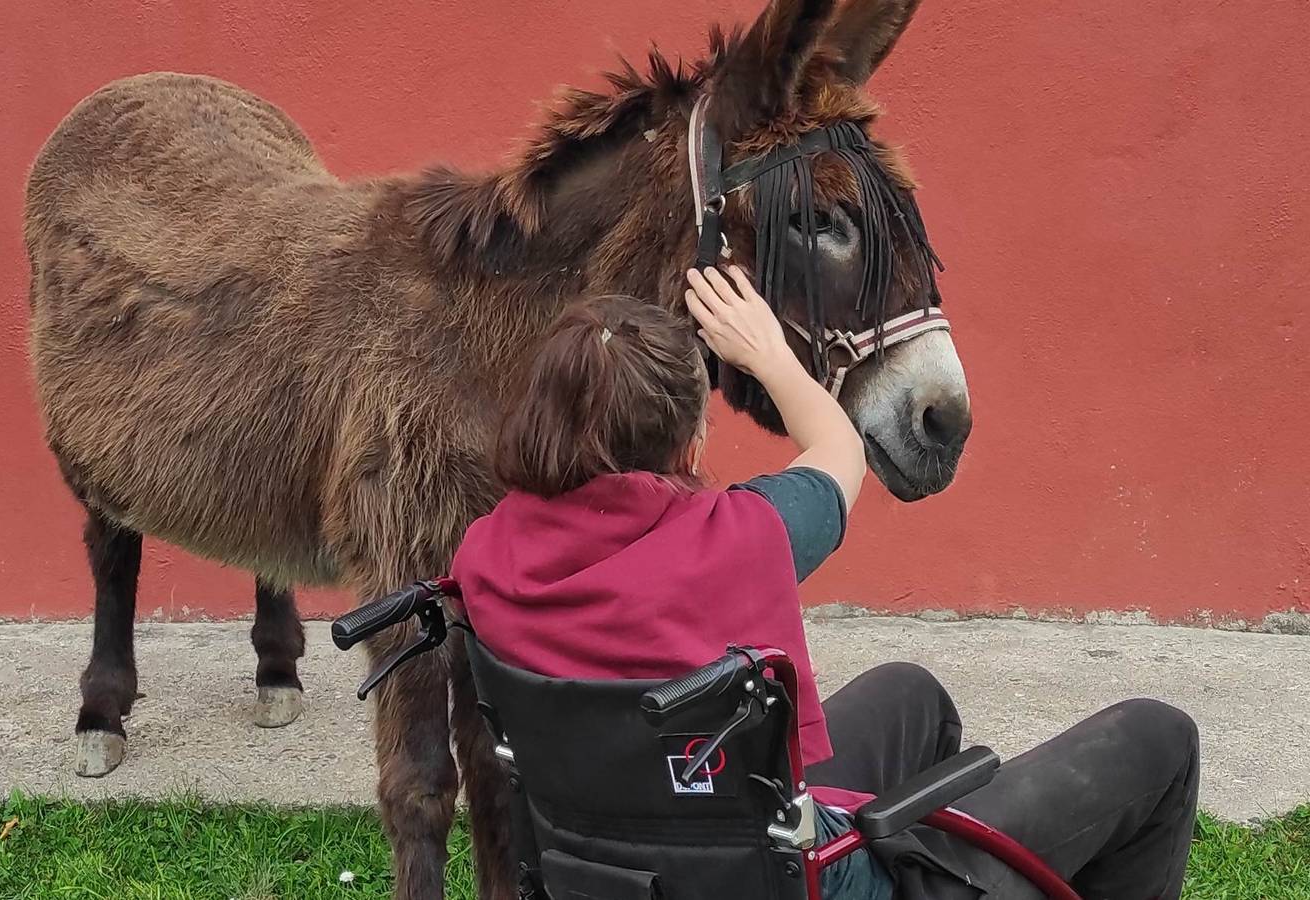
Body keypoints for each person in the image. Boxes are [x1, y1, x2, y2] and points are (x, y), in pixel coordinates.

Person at [451, 267, 1200, 900]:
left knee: (911, 693)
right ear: (687, 442)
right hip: (792, 879)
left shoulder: (485, 556)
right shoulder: (741, 537)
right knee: (1161, 736)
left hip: (617, 862)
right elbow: (839, 444)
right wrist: (771, 355)